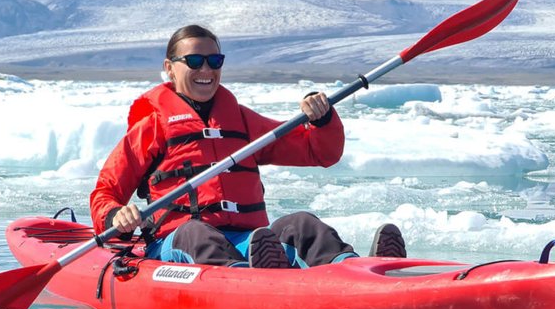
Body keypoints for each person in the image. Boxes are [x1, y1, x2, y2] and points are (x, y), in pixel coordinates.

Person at [90, 24, 406, 268]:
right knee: (196, 233)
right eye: (195, 61)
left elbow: (317, 151)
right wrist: (117, 215)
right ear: (170, 67)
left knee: (302, 224)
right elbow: (106, 191)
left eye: (214, 61)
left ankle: (359, 270)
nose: (206, 70)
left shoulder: (242, 122)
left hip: (250, 240)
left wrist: (321, 121)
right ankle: (248, 281)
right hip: (177, 243)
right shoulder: (152, 128)